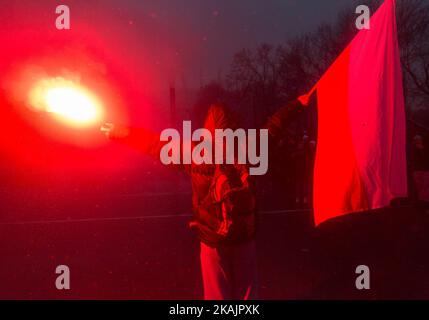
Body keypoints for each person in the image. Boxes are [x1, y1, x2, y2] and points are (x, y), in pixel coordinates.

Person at [101, 98, 306, 300]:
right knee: (247, 292)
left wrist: (122, 132)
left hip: (212, 238)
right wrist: (298, 104)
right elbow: (274, 127)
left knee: (216, 294)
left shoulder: (196, 154)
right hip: (243, 236)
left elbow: (156, 145)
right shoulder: (250, 150)